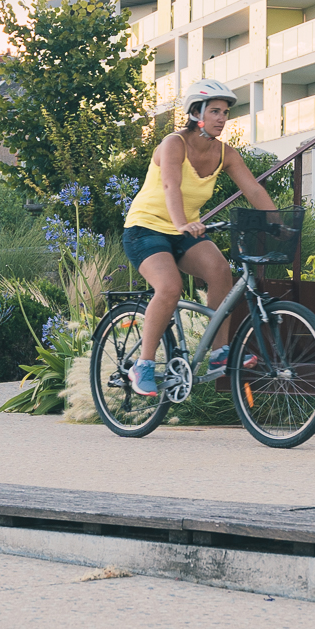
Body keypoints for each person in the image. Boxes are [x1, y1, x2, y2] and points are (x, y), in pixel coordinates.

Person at [121, 78, 276, 395]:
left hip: (184, 230)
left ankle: (220, 354)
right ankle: (143, 365)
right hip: (145, 228)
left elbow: (253, 189)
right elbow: (170, 187)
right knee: (169, 286)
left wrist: (279, 223)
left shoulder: (225, 153)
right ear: (195, 113)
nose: (222, 118)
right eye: (215, 111)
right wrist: (181, 223)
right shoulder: (173, 143)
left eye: (225, 112)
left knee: (220, 271)